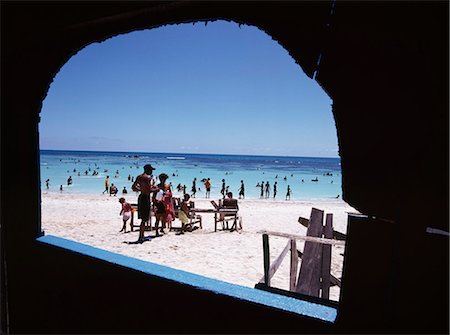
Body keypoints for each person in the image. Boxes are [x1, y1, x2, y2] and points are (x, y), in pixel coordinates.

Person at [132, 164, 157, 242]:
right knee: (144, 219)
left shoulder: (139, 177)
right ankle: (141, 237)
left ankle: (141, 236)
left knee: (143, 218)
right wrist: (156, 189)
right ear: (148, 170)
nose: (151, 171)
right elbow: (149, 190)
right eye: (151, 170)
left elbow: (133, 187)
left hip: (141, 197)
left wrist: (141, 189)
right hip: (145, 198)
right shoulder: (148, 178)